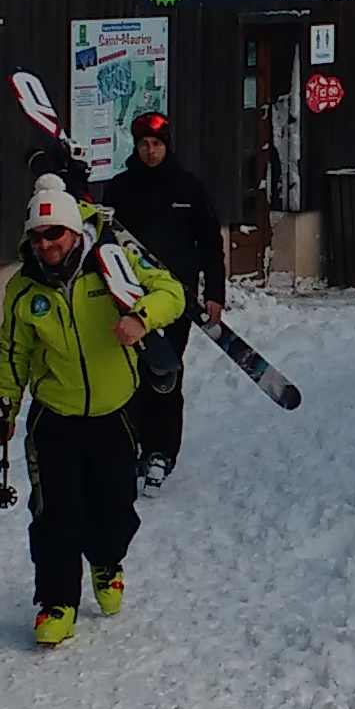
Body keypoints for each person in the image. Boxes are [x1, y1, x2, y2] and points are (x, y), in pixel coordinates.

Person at [0, 169, 184, 646]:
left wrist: (141, 319)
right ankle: (57, 602)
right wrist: (3, 407)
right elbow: (14, 352)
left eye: (54, 233)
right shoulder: (24, 288)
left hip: (114, 413)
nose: (46, 244)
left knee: (115, 508)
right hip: (54, 416)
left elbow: (172, 292)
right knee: (56, 514)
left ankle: (106, 561)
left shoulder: (113, 263)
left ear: (74, 231)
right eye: (37, 236)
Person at [96, 105, 227, 486]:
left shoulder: (188, 188)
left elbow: (210, 242)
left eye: (156, 144)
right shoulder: (120, 189)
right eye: (143, 144)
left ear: (167, 146)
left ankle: (160, 451)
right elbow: (104, 241)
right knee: (128, 375)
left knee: (164, 373)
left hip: (175, 300)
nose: (150, 151)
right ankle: (129, 446)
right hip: (128, 297)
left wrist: (214, 292)